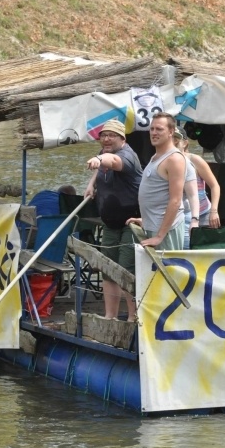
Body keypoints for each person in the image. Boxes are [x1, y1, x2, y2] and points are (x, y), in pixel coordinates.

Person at [84, 120, 142, 321]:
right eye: (103, 135)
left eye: (112, 135)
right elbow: (104, 161)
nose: (107, 139)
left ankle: (133, 317)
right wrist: (92, 184)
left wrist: (100, 159)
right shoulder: (104, 151)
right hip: (110, 223)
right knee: (108, 269)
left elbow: (112, 161)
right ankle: (110, 316)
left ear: (122, 139)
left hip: (131, 222)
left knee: (126, 269)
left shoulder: (126, 156)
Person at [127, 112, 186, 251]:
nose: (154, 133)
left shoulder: (174, 159)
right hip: (153, 226)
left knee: (168, 271)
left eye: (159, 129)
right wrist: (145, 221)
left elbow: (176, 200)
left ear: (171, 131)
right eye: (152, 129)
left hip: (166, 232)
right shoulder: (156, 156)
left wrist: (160, 236)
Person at [176, 127, 221, 229]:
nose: (173, 146)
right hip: (180, 215)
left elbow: (214, 186)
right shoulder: (165, 161)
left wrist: (214, 211)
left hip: (203, 213)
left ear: (185, 143)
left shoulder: (195, 160)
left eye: (176, 142)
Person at [173, 127, 199, 249]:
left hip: (186, 215)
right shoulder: (157, 159)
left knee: (183, 252)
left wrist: (195, 219)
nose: (173, 143)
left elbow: (194, 195)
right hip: (164, 218)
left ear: (184, 143)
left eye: (176, 140)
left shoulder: (189, 161)